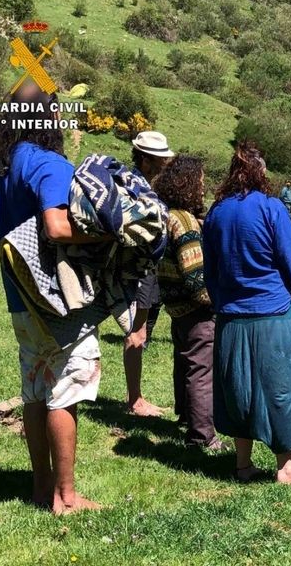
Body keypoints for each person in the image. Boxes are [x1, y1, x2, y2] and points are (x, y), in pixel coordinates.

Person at [0, 85, 108, 514]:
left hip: (18, 296)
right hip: (54, 298)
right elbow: (55, 227)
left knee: (36, 388)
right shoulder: (48, 164)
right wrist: (104, 233)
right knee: (67, 387)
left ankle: (41, 488)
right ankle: (66, 496)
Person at [203, 142, 291, 484]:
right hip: (272, 314)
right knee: (281, 389)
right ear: (261, 173)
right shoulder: (272, 208)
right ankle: (286, 466)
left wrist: (223, 301)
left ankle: (243, 464)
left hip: (231, 317)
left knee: (238, 391)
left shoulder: (216, 212)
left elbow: (211, 270)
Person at [153, 155, 225, 451]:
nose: (203, 185)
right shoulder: (183, 222)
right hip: (195, 308)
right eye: (200, 180)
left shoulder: (167, 214)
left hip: (174, 304)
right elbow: (196, 278)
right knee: (200, 369)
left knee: (183, 362)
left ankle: (185, 415)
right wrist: (216, 303)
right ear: (188, 183)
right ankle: (202, 436)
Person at [124, 130, 175, 417]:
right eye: (159, 160)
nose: (163, 165)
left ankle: (136, 397)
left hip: (147, 267)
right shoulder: (134, 185)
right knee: (137, 332)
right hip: (139, 268)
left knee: (139, 330)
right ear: (145, 159)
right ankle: (135, 401)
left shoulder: (145, 184)